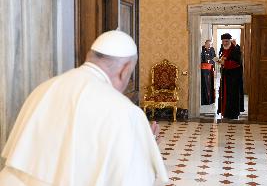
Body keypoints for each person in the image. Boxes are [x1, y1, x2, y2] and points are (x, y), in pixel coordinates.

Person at [0, 30, 168, 186]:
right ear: (125, 70)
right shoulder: (126, 111)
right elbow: (134, 178)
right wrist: (143, 145)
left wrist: (140, 139)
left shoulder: (43, 89)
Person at [217, 33, 245, 119]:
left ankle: (232, 114)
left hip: (234, 77)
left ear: (229, 41)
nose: (225, 43)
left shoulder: (235, 50)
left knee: (232, 95)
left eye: (226, 41)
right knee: (224, 93)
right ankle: (224, 112)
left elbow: (237, 63)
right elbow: (222, 58)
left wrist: (224, 62)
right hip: (225, 76)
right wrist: (220, 61)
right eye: (223, 41)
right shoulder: (222, 48)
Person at [201, 39, 216, 105]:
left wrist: (211, 62)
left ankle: (210, 100)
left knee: (210, 85)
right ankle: (205, 101)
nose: (209, 46)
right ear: (205, 44)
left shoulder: (212, 49)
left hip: (210, 69)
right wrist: (207, 61)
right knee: (205, 85)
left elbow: (214, 58)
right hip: (204, 70)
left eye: (210, 45)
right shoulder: (202, 49)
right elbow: (201, 59)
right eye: (208, 44)